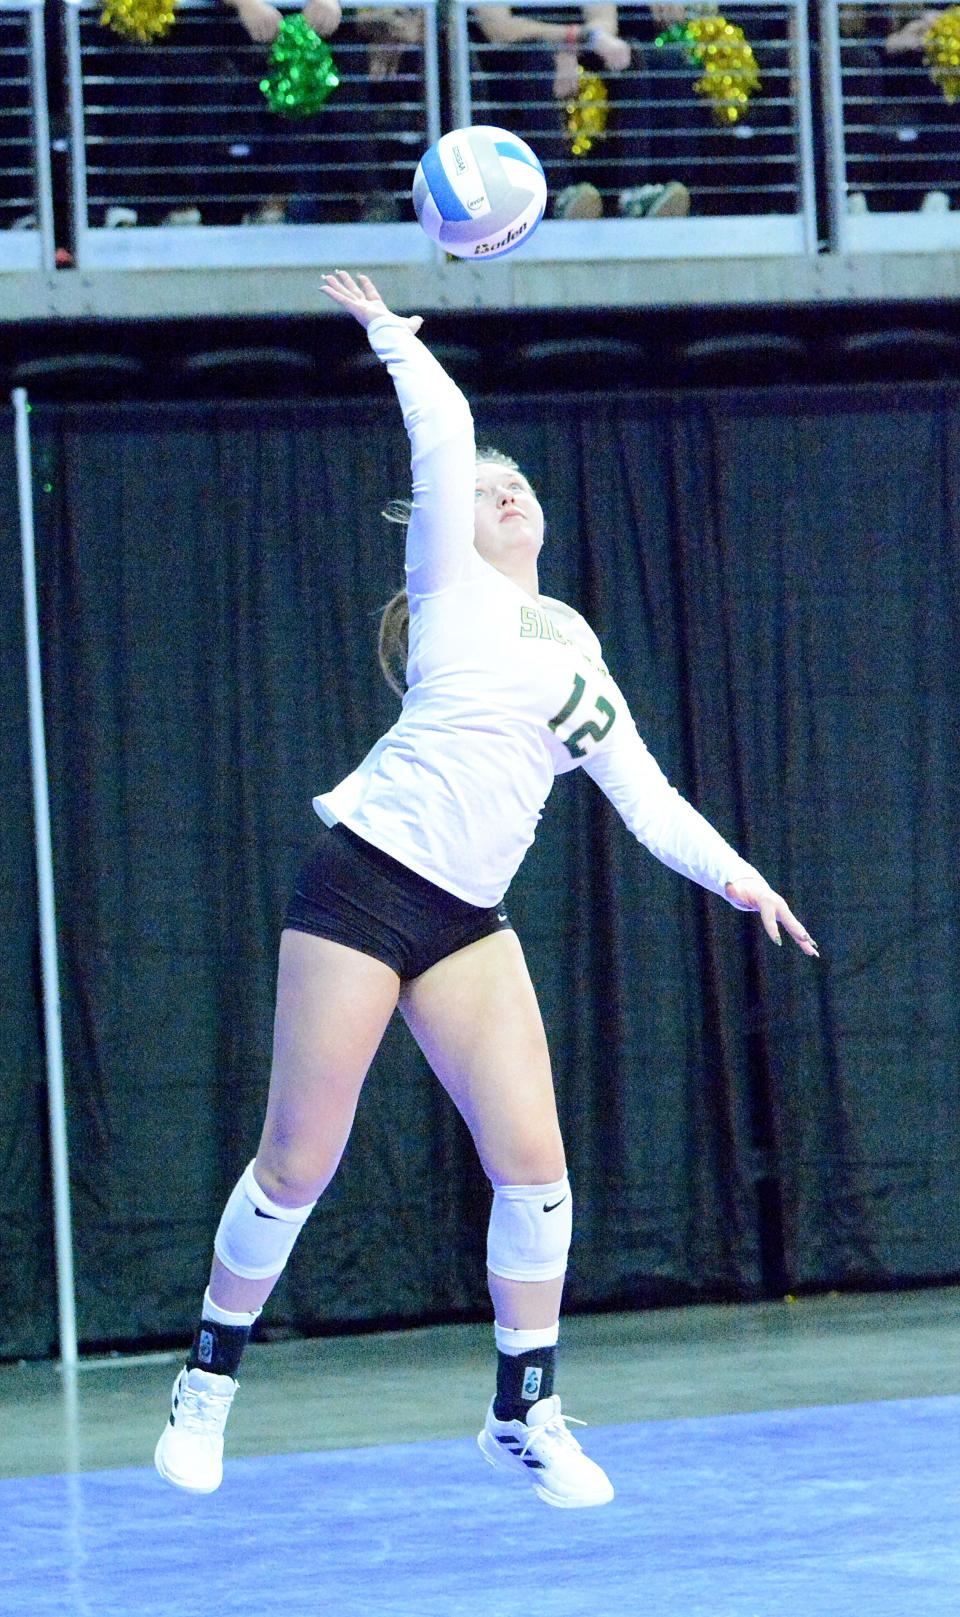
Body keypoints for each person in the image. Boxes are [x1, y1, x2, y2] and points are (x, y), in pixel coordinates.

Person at [154, 270, 819, 1509]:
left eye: (525, 486)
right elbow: (449, 434)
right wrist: (398, 341)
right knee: (299, 1161)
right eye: (489, 491)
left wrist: (739, 877)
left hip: (464, 921)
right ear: (453, 528)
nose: (510, 490)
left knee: (537, 1168)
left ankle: (525, 1410)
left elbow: (646, 795)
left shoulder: (575, 642)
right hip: (363, 886)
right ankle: (205, 1383)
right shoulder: (453, 595)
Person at [469, 4, 691, 219]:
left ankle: (629, 194)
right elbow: (499, 29)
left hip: (575, 50)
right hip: (509, 62)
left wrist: (576, 44)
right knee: (536, 58)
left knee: (625, 55)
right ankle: (557, 197)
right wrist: (572, 38)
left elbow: (605, 22)